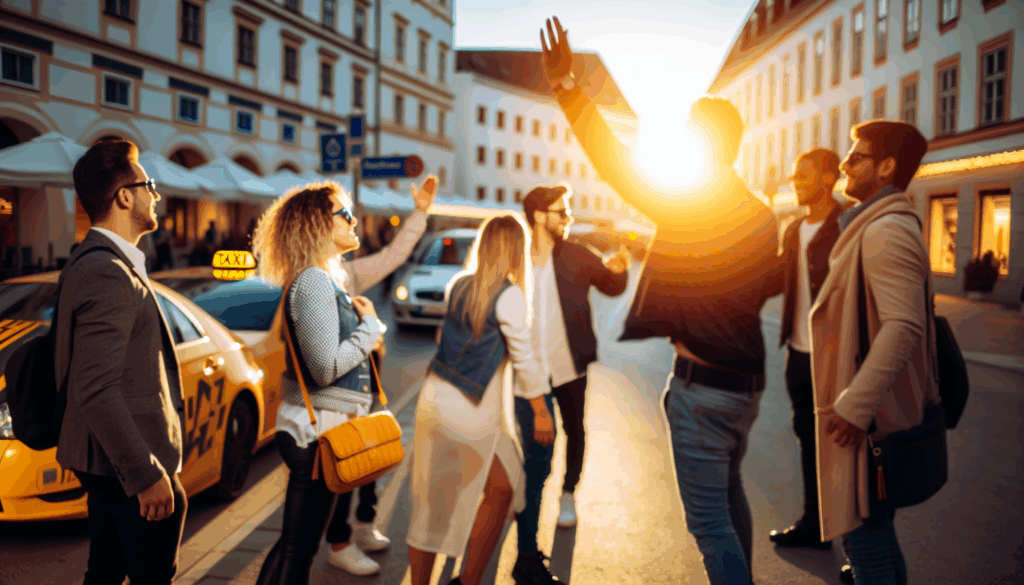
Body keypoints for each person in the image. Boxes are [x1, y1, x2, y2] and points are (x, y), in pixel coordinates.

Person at [540, 18, 783, 585]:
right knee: (729, 500)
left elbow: (614, 162)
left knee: (709, 527)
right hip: (746, 385)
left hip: (704, 387)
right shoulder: (761, 213)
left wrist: (568, 88)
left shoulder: (691, 202)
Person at [811, 120, 939, 585]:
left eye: (856, 156)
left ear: (886, 167)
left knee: (864, 542)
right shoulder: (870, 224)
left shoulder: (886, 230)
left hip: (868, 423)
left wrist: (855, 405)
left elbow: (904, 324)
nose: (844, 162)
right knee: (874, 538)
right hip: (867, 417)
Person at [56, 139, 187, 585]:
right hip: (125, 463)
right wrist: (145, 473)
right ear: (125, 196)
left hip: (106, 462)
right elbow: (96, 388)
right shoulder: (106, 271)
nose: (157, 195)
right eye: (149, 184)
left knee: (106, 570)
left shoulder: (98, 261)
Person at [407, 215, 552, 585]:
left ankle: (457, 579)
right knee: (493, 491)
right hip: (472, 410)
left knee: (454, 497)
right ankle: (469, 580)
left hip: (434, 399)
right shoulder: (511, 295)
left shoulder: (459, 285)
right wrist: (540, 411)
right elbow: (524, 359)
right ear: (515, 250)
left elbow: (446, 342)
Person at [320, 174, 438, 575]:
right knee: (341, 464)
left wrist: (420, 213)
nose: (353, 221)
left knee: (369, 457)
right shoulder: (310, 280)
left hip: (363, 384)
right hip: (334, 394)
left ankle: (365, 525)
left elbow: (393, 257)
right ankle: (338, 541)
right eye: (346, 214)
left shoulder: (345, 273)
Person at [519, 185, 629, 540]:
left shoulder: (578, 256)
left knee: (574, 430)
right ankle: (525, 495)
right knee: (530, 438)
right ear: (538, 216)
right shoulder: (516, 258)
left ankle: (568, 494)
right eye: (561, 212)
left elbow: (612, 286)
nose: (568, 219)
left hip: (570, 367)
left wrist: (621, 268)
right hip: (529, 369)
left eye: (568, 212)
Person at [769, 149, 848, 549]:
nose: (794, 181)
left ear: (829, 177)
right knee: (807, 440)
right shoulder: (792, 229)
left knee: (846, 448)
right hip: (798, 356)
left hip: (837, 357)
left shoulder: (848, 224)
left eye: (803, 175)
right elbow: (774, 283)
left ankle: (856, 545)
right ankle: (815, 525)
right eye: (793, 175)